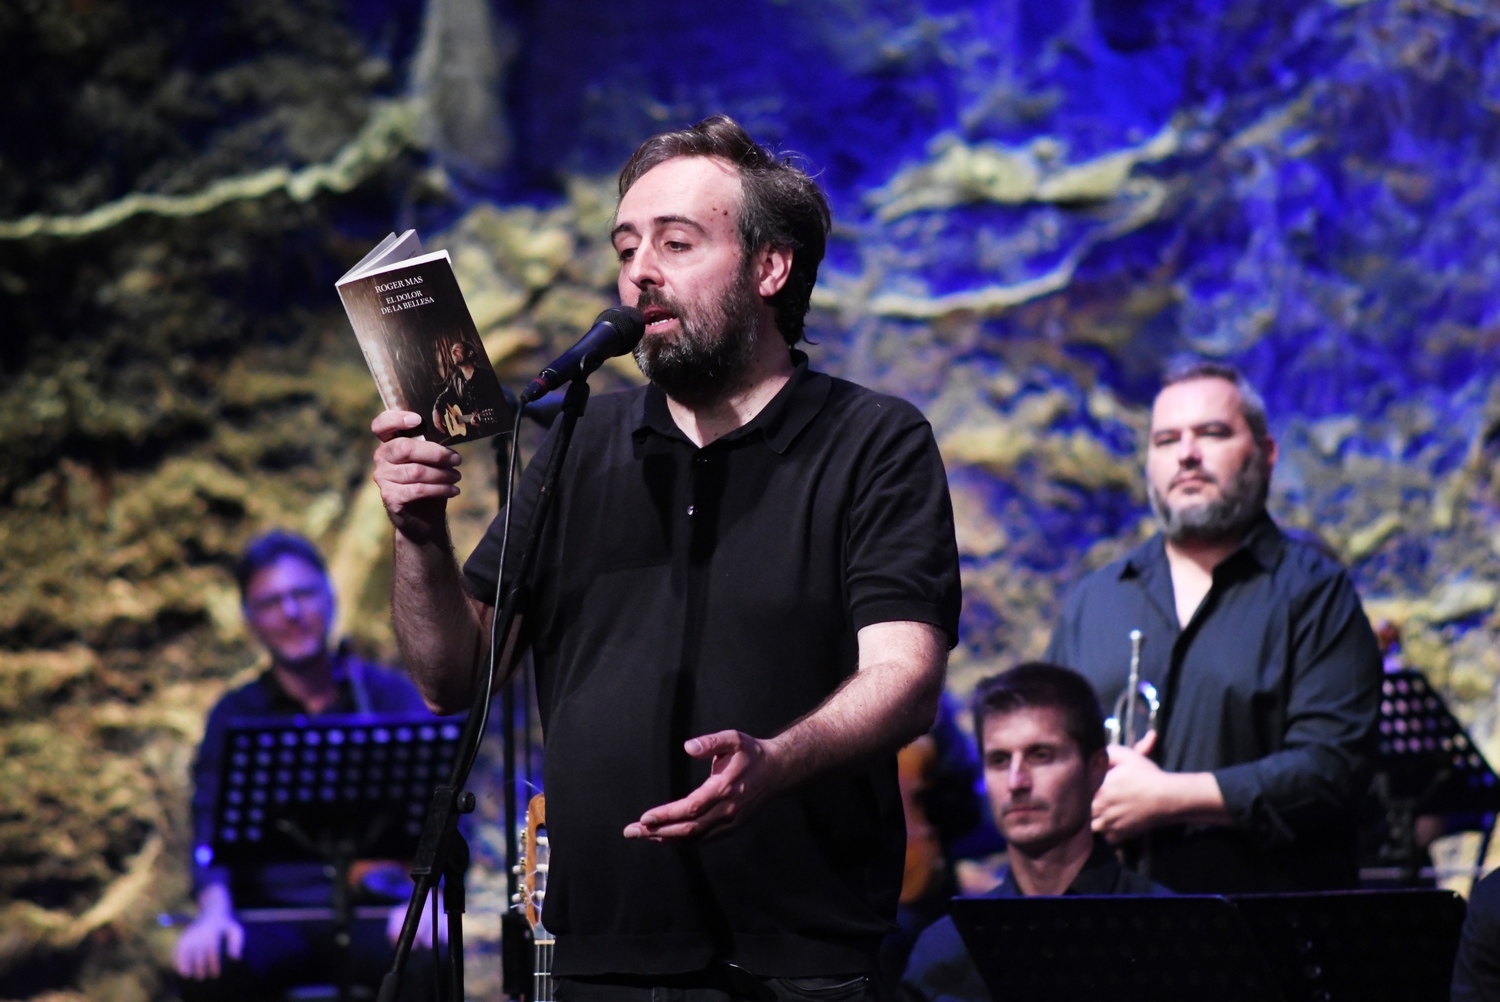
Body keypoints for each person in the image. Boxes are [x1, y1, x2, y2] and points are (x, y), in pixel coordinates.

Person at [371, 114, 962, 1000]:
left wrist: (778, 760)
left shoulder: (872, 440)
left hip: (797, 961)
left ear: (771, 267)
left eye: (677, 243)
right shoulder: (577, 442)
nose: (640, 270)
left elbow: (906, 679)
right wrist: (418, 534)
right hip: (600, 958)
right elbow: (451, 676)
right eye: (626, 247)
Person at [1045, 360, 1383, 893]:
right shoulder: (1094, 601)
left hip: (1264, 923)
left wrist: (1169, 798)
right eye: (1166, 440)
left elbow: (1332, 769)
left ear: (1266, 454)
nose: (1187, 454)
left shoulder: (1317, 594)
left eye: (1212, 433)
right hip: (1107, 923)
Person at [174, 531, 435, 1001]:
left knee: (427, 960)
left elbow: (441, 815)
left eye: (304, 594)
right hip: (273, 917)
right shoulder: (236, 713)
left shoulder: (388, 697)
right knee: (209, 970)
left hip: (375, 912)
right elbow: (208, 830)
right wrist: (214, 911)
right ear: (249, 618)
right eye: (271, 602)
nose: (291, 612)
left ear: (330, 597)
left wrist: (426, 901)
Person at [901, 663, 1168, 1002]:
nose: (1016, 782)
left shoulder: (1168, 932)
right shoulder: (943, 952)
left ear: (1096, 769)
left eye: (1041, 756)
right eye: (999, 760)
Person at [431, 338, 504, 438]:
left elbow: (499, 405)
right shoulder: (456, 378)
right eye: (452, 351)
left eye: (457, 349)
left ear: (469, 353)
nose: (453, 353)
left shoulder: (486, 376)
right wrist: (436, 410)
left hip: (492, 430)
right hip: (470, 433)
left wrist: (481, 421)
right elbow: (444, 396)